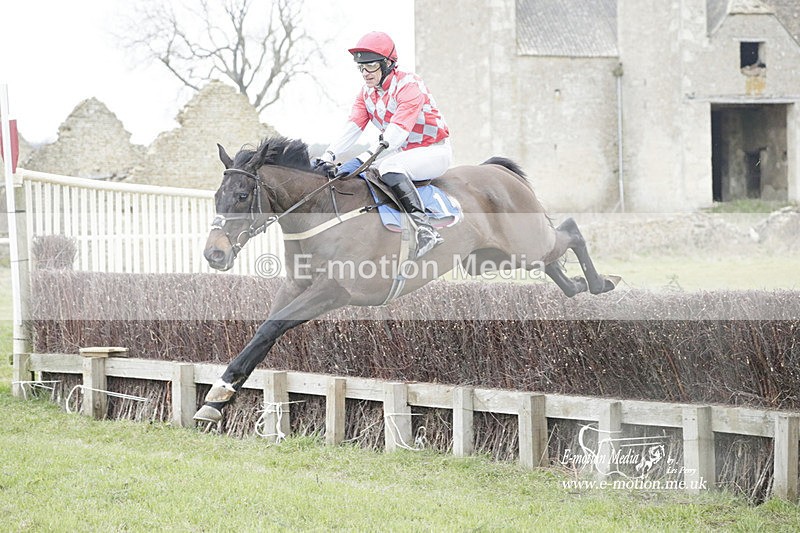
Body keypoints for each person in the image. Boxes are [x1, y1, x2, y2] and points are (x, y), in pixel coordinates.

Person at [314, 31, 451, 259]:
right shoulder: (366, 93)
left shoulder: (409, 85)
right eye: (361, 68)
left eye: (370, 67)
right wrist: (327, 156)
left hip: (432, 150)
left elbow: (396, 134)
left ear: (388, 64)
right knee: (369, 174)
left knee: (387, 168)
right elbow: (353, 127)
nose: (365, 74)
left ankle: (425, 229)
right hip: (401, 151)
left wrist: (360, 159)